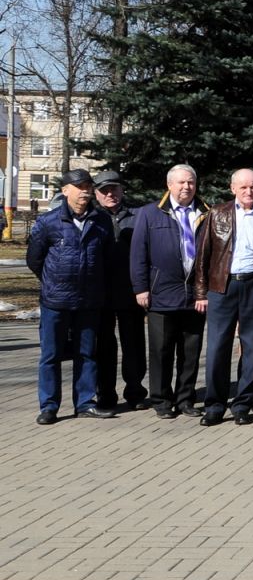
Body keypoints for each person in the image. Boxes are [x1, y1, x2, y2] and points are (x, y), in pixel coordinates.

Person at [193, 168, 253, 426]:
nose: (248, 192)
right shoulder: (217, 214)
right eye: (243, 187)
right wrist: (201, 292)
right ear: (233, 188)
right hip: (222, 288)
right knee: (217, 348)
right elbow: (202, 257)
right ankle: (215, 405)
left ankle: (242, 404)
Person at [28, 169, 117, 425]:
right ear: (65, 190)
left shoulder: (100, 221)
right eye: (79, 187)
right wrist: (53, 282)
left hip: (89, 301)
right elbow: (34, 259)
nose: (85, 191)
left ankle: (85, 403)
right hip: (55, 301)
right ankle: (49, 406)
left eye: (88, 186)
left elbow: (107, 258)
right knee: (50, 355)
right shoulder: (49, 222)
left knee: (87, 354)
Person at [131, 164, 207, 419]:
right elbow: (138, 254)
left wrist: (204, 291)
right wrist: (141, 288)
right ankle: (162, 400)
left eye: (191, 183)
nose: (187, 187)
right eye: (182, 183)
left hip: (195, 297)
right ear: (169, 185)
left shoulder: (205, 213)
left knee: (190, 353)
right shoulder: (150, 214)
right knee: (161, 351)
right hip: (160, 293)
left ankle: (186, 399)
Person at [92, 170, 147, 411]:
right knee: (103, 346)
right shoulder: (92, 217)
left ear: (122, 190)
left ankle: (135, 390)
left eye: (114, 189)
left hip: (130, 292)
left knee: (133, 344)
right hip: (100, 294)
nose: (110, 194)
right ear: (96, 193)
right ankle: (105, 393)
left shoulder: (138, 215)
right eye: (104, 190)